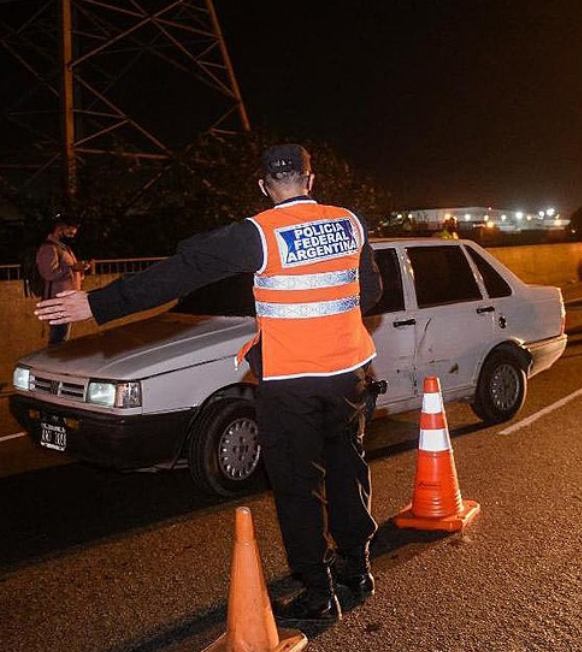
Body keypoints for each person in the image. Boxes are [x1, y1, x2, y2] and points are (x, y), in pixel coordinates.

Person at [33, 144, 382, 628]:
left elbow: (181, 270)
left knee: (298, 486)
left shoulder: (258, 233)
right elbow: (374, 292)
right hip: (349, 373)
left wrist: (97, 305)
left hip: (290, 382)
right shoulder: (350, 222)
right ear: (311, 179)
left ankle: (318, 593)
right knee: (347, 468)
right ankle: (358, 568)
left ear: (263, 186)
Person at [36, 215, 92, 345]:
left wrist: (79, 268)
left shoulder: (64, 248)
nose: (72, 236)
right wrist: (72, 268)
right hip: (57, 303)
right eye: (70, 232)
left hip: (65, 302)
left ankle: (54, 362)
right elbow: (49, 273)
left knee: (61, 340)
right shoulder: (49, 248)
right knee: (58, 342)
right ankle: (53, 364)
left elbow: (70, 272)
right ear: (60, 228)